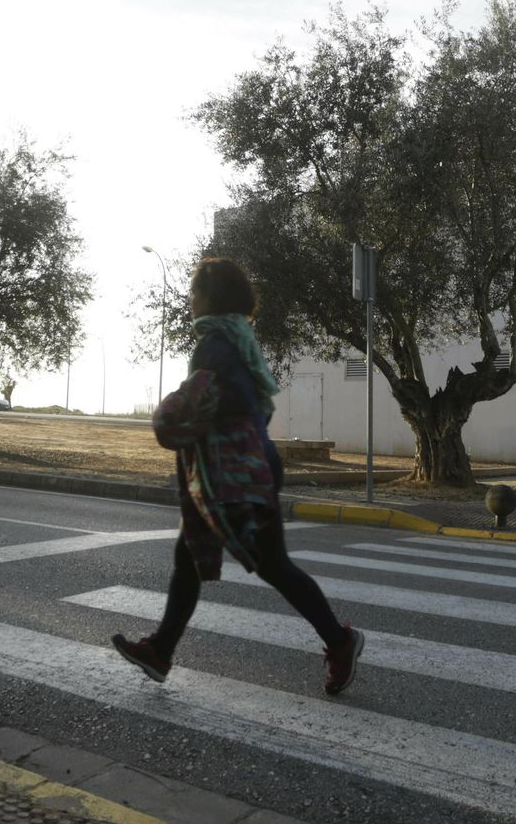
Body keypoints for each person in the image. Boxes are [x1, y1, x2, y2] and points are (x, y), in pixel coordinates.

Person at [111, 257, 365, 695]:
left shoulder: (216, 343)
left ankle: (340, 641)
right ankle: (161, 650)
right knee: (190, 557)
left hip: (233, 475)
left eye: (194, 292)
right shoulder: (240, 339)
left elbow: (200, 400)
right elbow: (254, 408)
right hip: (241, 467)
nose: (190, 300)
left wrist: (171, 414)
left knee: (273, 565)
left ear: (211, 296)